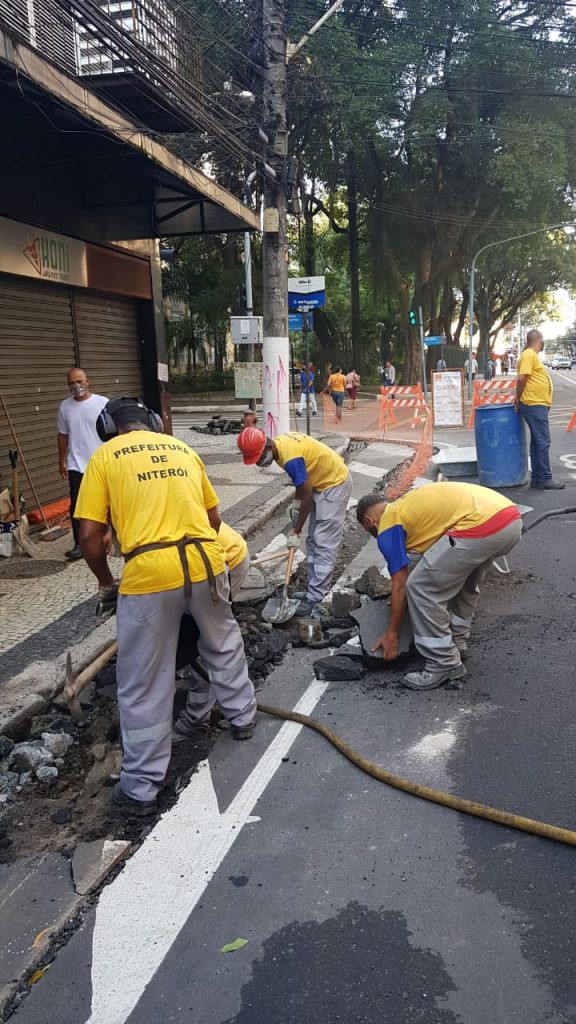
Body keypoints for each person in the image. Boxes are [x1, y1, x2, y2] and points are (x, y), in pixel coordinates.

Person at [75, 397, 257, 816]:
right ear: (153, 422)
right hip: (205, 563)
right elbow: (212, 520)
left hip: (150, 572)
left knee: (144, 679)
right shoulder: (183, 449)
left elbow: (88, 536)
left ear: (108, 427)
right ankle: (243, 718)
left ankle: (140, 788)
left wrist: (105, 580)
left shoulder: (104, 457)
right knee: (223, 646)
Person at [356, 482, 522, 691]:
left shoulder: (388, 526)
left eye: (368, 528)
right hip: (509, 520)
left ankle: (443, 663)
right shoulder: (406, 506)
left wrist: (392, 633)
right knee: (464, 583)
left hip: (479, 525)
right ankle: (457, 641)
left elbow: (401, 586)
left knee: (420, 588)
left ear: (369, 521)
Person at [237, 427, 352, 618]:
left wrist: (296, 530)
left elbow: (306, 496)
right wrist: (295, 505)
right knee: (314, 541)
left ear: (267, 447)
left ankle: (316, 596)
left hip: (334, 484)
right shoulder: (281, 446)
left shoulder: (290, 459)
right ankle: (313, 589)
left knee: (324, 542)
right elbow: (301, 486)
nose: (258, 462)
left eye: (258, 458)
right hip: (321, 483)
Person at [174, 520, 251, 741]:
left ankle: (199, 719)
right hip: (200, 564)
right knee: (200, 637)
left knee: (209, 642)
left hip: (223, 561)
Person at [56, 368, 108, 561]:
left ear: (88, 382)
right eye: (71, 383)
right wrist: (61, 461)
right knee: (77, 504)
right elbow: (63, 435)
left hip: (101, 462)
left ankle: (111, 536)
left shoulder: (102, 403)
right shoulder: (65, 407)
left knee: (108, 501)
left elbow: (113, 431)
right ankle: (79, 543)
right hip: (76, 464)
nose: (76, 386)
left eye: (79, 381)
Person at [515, 329, 564, 490]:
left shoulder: (530, 355)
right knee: (543, 441)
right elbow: (522, 378)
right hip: (534, 404)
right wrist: (518, 397)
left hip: (536, 404)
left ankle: (538, 478)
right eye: (543, 341)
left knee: (537, 442)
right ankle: (544, 477)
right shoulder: (529, 354)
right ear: (539, 340)